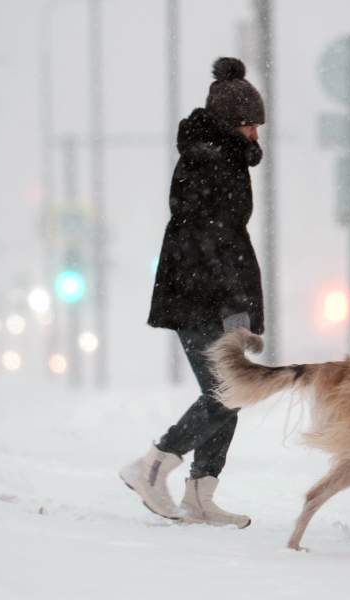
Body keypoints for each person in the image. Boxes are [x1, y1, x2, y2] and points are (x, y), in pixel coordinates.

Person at [120, 57, 265, 527]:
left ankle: (201, 495)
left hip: (202, 292)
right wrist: (234, 306)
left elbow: (219, 236)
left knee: (231, 392)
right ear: (229, 124)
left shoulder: (213, 156)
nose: (255, 136)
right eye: (248, 125)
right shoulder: (213, 161)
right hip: (203, 296)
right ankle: (153, 464)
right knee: (226, 391)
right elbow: (215, 238)